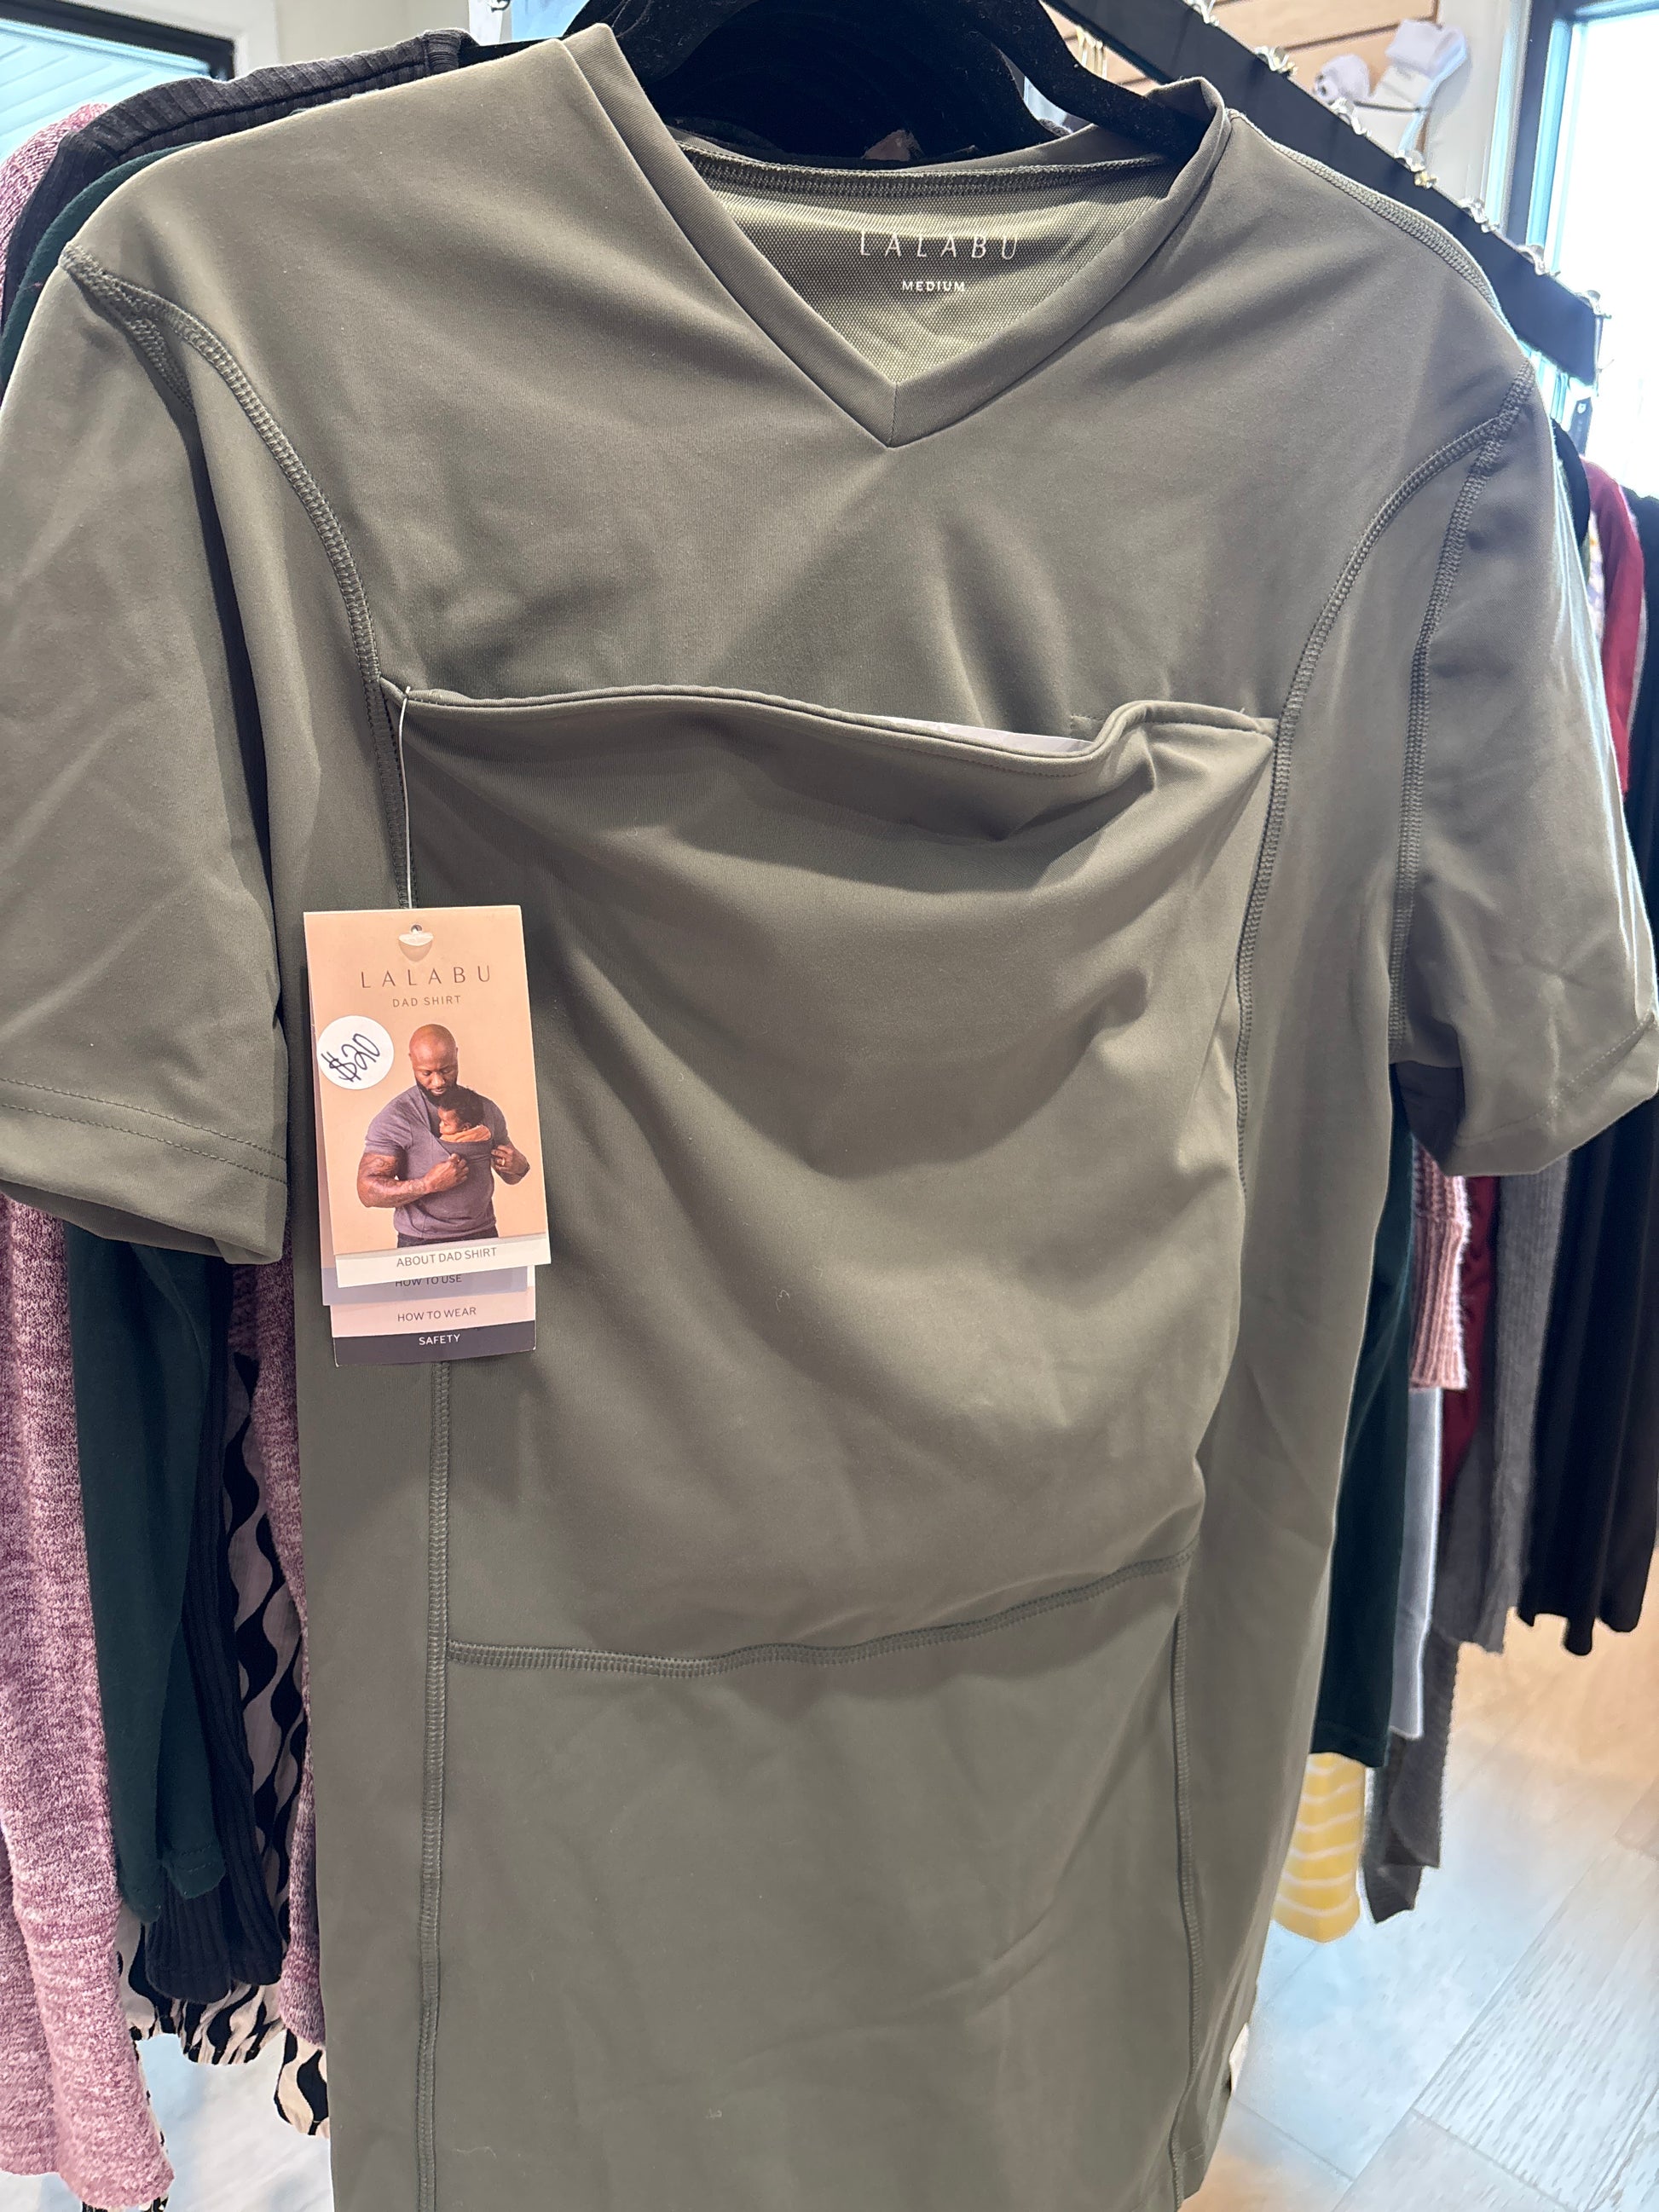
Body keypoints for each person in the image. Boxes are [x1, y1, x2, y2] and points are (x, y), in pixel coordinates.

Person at [356, 1025, 530, 1246]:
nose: (438, 1082)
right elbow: (367, 1192)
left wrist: (520, 1166)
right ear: (412, 1061)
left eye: (447, 1070)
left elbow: (511, 1177)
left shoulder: (486, 1109)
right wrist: (427, 1184)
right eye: (426, 1073)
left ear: (456, 1055)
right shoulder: (395, 1117)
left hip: (484, 1234)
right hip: (422, 1241)